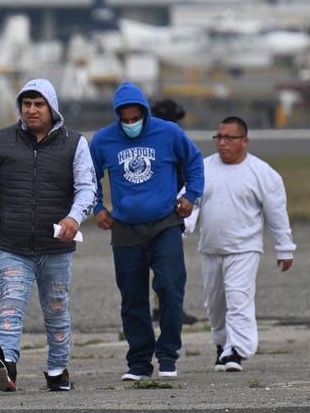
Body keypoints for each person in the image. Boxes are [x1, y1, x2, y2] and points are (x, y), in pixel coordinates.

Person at [0, 78, 97, 392]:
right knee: (11, 304)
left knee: (56, 310)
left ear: (52, 107)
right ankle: (6, 363)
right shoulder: (1, 140)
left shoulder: (75, 143)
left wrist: (74, 218)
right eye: (26, 104)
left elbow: (87, 188)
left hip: (57, 248)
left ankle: (58, 370)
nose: (31, 110)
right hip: (13, 246)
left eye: (39, 104)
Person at [89, 81, 204, 381]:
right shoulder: (103, 141)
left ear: (144, 113)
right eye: (124, 120)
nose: (130, 124)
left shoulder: (168, 133)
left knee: (169, 286)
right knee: (132, 296)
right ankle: (139, 362)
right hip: (125, 228)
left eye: (134, 118)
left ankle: (167, 355)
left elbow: (194, 162)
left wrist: (191, 195)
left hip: (164, 223)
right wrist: (98, 207)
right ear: (117, 117)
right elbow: (87, 176)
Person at [185, 116, 295, 372]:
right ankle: (222, 345)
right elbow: (190, 206)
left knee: (238, 298)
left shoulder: (263, 173)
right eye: (219, 137)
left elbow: (277, 213)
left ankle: (237, 350)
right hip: (211, 248)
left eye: (229, 138)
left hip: (245, 248)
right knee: (215, 305)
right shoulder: (203, 169)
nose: (222, 143)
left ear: (244, 141)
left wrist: (285, 248)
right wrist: (181, 232)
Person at [150, 99, 198, 326]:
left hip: (160, 207)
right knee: (171, 265)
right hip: (169, 210)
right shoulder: (174, 139)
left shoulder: (154, 139)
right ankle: (169, 308)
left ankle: (160, 307)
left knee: (157, 264)